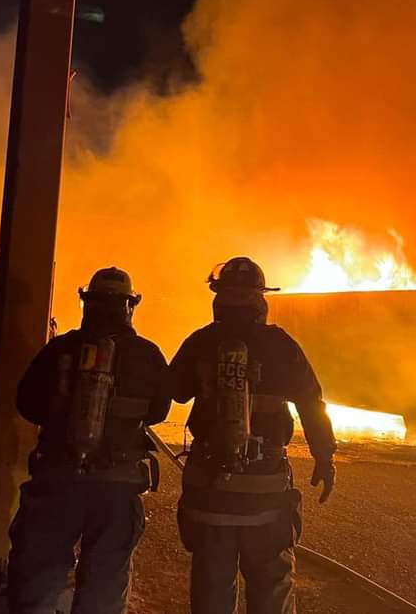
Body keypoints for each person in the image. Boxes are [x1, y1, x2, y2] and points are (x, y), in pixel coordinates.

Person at [168, 257, 337, 614]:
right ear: (259, 299)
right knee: (271, 589)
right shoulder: (281, 345)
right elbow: (311, 401)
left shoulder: (201, 341)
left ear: (219, 299)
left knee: (211, 588)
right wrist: (324, 456)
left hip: (210, 491)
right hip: (267, 493)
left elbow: (174, 391)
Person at [8, 267, 171, 614]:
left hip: (57, 479)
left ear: (87, 303)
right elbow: (159, 412)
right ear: (130, 306)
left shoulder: (60, 349)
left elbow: (26, 404)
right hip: (117, 485)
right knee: (105, 584)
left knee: (39, 574)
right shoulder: (148, 354)